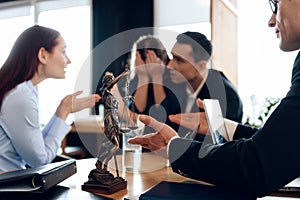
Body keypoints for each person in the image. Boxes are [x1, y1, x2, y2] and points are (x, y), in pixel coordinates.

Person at [129, 0, 300, 197]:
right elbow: (279, 144)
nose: (271, 20)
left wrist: (174, 147)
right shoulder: (179, 87)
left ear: (202, 65)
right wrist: (218, 125)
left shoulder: (225, 95)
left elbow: (255, 164)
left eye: (276, 5)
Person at [0, 25, 100, 172]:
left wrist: (62, 110)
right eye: (63, 52)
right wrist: (64, 112)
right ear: (43, 55)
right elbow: (40, 161)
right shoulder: (21, 96)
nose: (69, 60)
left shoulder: (23, 90)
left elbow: (36, 146)